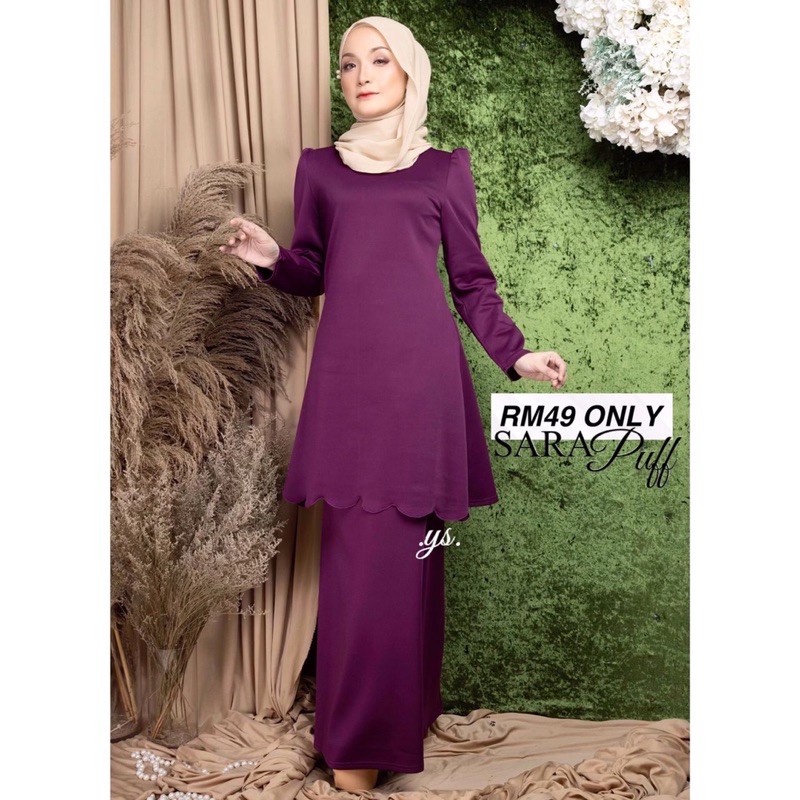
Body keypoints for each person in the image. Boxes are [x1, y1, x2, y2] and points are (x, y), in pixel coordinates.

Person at [220, 15, 567, 791]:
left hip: (423, 391)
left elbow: (471, 282)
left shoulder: (443, 170)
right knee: (359, 570)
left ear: (410, 71)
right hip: (349, 392)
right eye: (348, 64)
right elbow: (314, 268)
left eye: (379, 60)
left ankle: (396, 726)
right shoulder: (321, 170)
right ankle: (356, 743)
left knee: (413, 565)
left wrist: (515, 354)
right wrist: (272, 257)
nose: (362, 75)